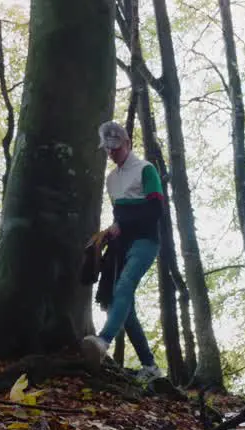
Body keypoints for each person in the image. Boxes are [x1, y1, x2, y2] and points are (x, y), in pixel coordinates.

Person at [81, 121, 164, 382]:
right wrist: (111, 230)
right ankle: (150, 367)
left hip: (146, 241)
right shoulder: (111, 180)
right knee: (125, 309)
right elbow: (120, 214)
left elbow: (155, 211)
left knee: (125, 286)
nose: (112, 153)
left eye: (116, 148)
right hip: (120, 246)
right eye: (108, 149)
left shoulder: (146, 170)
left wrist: (123, 224)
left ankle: (103, 341)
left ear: (128, 143)